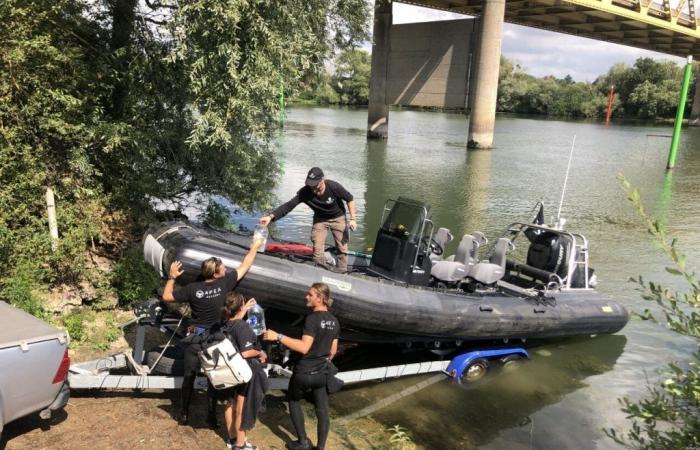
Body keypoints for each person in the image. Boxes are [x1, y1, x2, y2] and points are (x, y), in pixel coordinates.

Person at [161, 238, 263, 427]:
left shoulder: (193, 289)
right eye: (223, 268)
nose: (226, 269)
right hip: (216, 339)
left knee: (189, 376)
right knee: (214, 375)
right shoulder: (224, 284)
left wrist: (172, 276)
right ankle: (210, 416)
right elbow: (246, 264)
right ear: (216, 273)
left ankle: (183, 414)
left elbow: (167, 296)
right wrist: (255, 247)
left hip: (195, 340)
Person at [263, 283, 339, 450]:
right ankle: (320, 447)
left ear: (320, 298)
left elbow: (304, 347)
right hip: (321, 374)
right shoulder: (334, 321)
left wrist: (278, 336)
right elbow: (332, 351)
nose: (306, 297)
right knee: (322, 410)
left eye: (310, 294)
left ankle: (303, 442)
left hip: (304, 373)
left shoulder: (312, 318)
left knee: (293, 400)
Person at [259, 167, 357, 273]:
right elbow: (289, 205)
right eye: (310, 185)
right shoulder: (305, 192)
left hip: (338, 218)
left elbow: (350, 199)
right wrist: (270, 216)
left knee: (342, 248)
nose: (313, 188)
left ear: (322, 179)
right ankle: (319, 271)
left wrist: (352, 218)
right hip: (320, 219)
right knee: (318, 247)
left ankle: (342, 272)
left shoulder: (333, 186)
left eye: (315, 185)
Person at [219, 293, 268, 450]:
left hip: (228, 370)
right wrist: (260, 352)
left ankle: (233, 438)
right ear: (240, 307)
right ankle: (240, 445)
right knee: (242, 407)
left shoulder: (225, 324)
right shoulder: (242, 326)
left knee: (229, 403)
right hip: (242, 370)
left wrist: (244, 308)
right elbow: (246, 352)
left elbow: (236, 320)